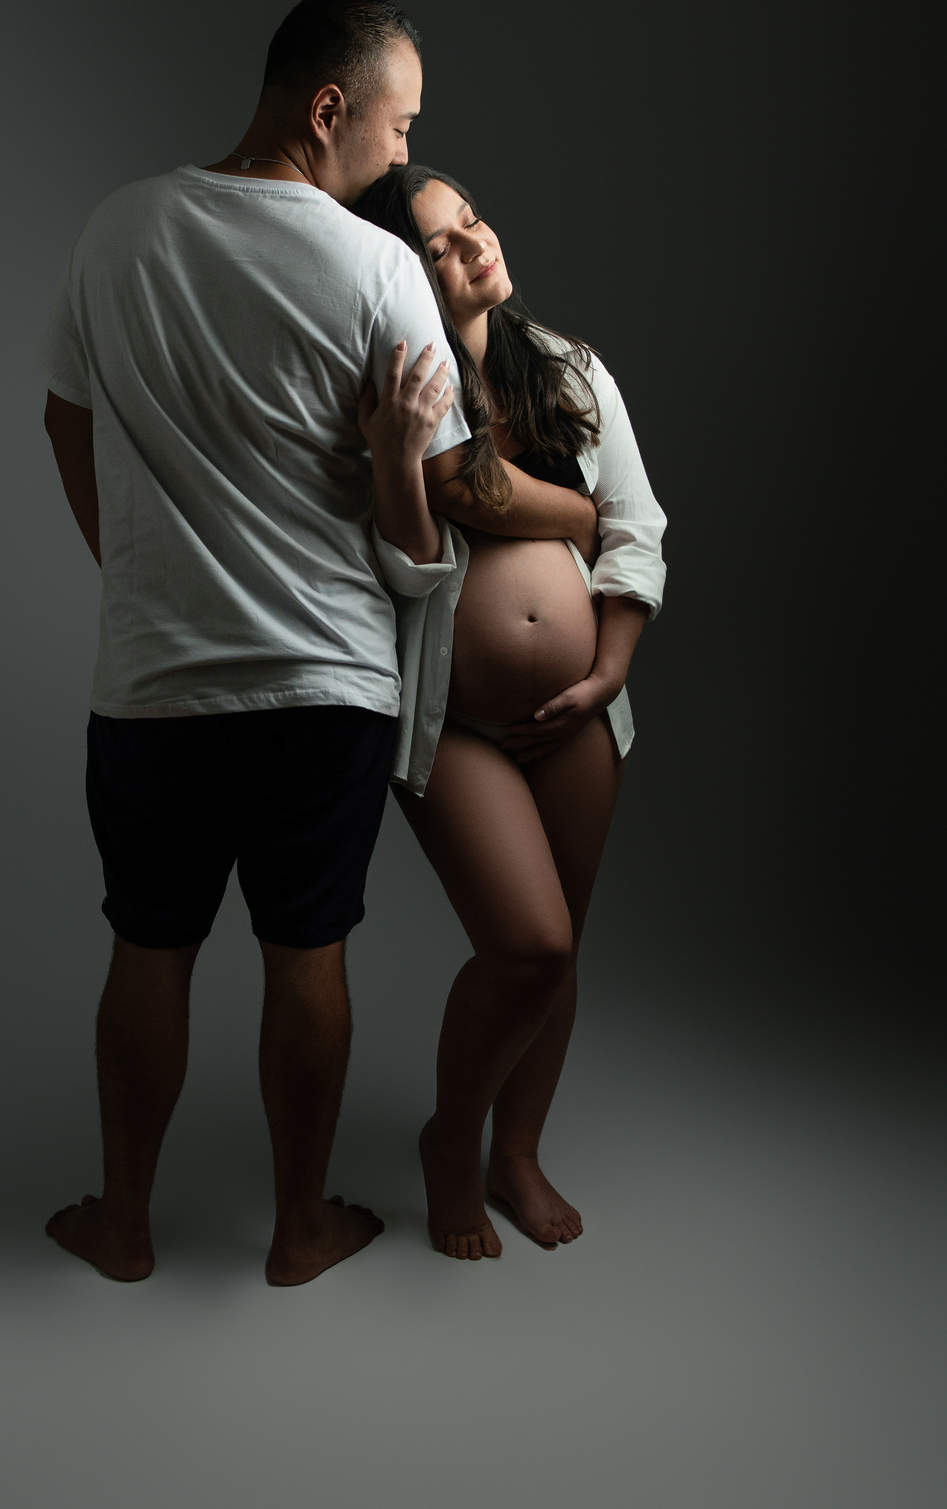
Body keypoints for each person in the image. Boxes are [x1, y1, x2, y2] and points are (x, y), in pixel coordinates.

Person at [39, 0, 498, 1288]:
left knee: (148, 945)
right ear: (328, 107)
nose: (404, 154)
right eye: (399, 126)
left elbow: (65, 417)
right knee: (310, 953)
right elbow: (439, 505)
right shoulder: (378, 270)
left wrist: (135, 573)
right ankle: (301, 1228)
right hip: (327, 684)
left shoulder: (119, 227)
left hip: (156, 682)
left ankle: (123, 1224)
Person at [353, 164, 666, 1261]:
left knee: (562, 948)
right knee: (526, 945)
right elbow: (406, 570)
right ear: (403, 275)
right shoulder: (400, 391)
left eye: (470, 222)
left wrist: (608, 671)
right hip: (455, 717)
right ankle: (452, 1140)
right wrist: (399, 459)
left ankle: (515, 1153)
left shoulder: (569, 369)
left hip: (580, 710)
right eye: (436, 248)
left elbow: (635, 526)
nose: (471, 246)